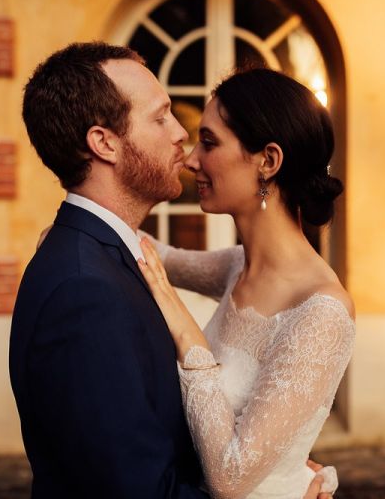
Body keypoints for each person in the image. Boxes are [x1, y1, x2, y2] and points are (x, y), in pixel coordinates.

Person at [9, 42, 331, 498]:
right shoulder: (85, 289)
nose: (183, 138)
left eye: (208, 139)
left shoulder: (103, 260)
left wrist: (279, 467)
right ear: (103, 143)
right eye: (160, 118)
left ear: (269, 162)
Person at [136, 68, 356, 498]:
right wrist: (82, 227)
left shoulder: (321, 311)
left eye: (210, 142)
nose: (191, 159)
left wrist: (188, 336)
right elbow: (159, 257)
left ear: (268, 162)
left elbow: (231, 479)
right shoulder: (237, 266)